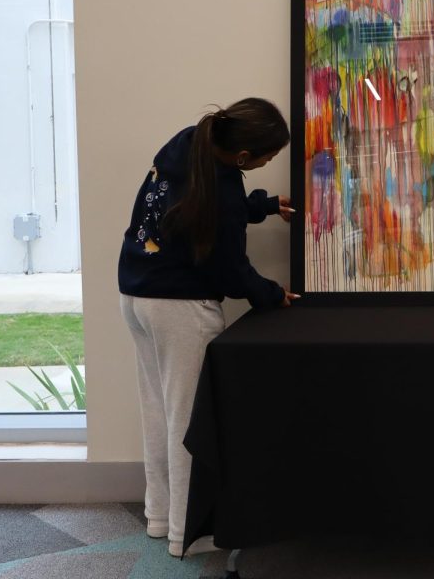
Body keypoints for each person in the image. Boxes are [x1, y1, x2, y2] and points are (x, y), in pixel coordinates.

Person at [118, 97, 300, 558]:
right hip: (180, 307)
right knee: (189, 422)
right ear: (243, 158)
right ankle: (187, 533)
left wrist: (260, 206)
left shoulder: (189, 143)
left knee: (158, 412)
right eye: (266, 158)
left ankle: (160, 517)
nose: (267, 163)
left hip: (137, 295)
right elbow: (232, 272)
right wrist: (271, 294)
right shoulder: (219, 186)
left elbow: (202, 208)